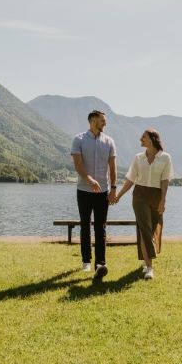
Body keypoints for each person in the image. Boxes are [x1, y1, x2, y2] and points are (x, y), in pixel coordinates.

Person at [113, 129, 172, 280]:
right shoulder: (138, 158)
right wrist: (119, 195)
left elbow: (165, 180)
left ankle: (146, 261)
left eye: (143, 137)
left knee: (152, 229)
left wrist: (163, 199)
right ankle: (150, 268)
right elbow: (130, 180)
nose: (140, 139)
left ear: (152, 139)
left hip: (156, 195)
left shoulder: (165, 158)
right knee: (145, 229)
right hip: (139, 196)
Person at [71, 109, 117, 281]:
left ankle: (100, 264)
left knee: (101, 227)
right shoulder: (79, 139)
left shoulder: (109, 141)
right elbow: (77, 164)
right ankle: (86, 262)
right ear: (93, 121)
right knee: (85, 225)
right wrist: (89, 179)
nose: (105, 123)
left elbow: (112, 167)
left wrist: (113, 189)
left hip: (103, 192)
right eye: (102, 120)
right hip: (83, 190)